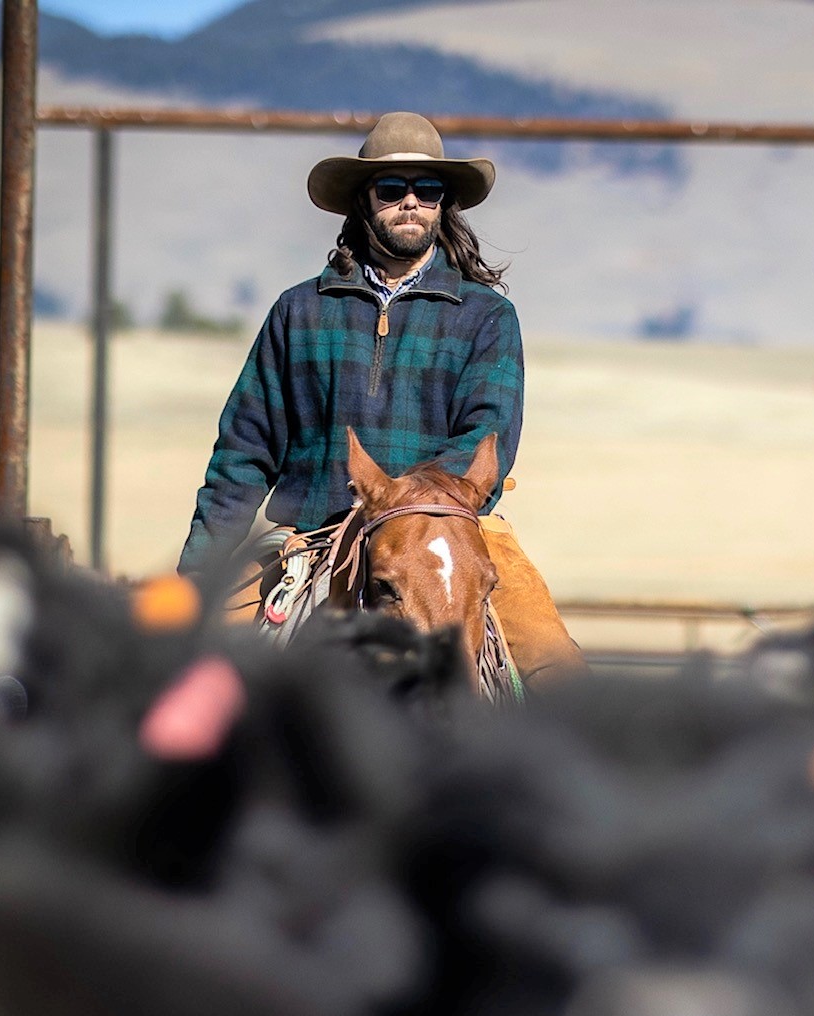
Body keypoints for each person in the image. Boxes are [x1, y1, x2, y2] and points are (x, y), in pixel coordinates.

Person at [178, 111, 583, 686]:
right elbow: (244, 451)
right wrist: (199, 572)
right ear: (363, 202)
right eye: (393, 189)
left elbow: (486, 436)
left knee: (560, 677)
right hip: (313, 535)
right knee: (195, 675)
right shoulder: (299, 311)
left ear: (445, 204)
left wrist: (400, 507)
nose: (411, 203)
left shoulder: (487, 316)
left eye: (429, 189)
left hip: (453, 532)